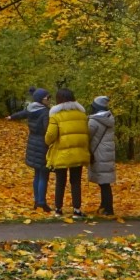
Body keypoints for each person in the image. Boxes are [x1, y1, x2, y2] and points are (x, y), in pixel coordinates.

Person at [43, 88, 91, 217]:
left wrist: (48, 142)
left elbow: (50, 136)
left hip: (61, 154)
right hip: (78, 153)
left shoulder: (56, 116)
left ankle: (58, 209)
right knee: (76, 181)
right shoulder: (82, 115)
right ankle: (77, 210)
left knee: (60, 181)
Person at [8, 88, 52, 212]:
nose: (49, 100)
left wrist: (11, 117)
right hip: (42, 144)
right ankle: (41, 202)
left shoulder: (31, 109)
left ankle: (37, 200)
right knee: (43, 173)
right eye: (48, 98)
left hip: (32, 142)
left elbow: (21, 114)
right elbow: (47, 129)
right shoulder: (45, 112)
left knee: (37, 173)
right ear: (42, 99)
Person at [86, 95, 118, 217]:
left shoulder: (94, 121)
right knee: (104, 182)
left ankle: (108, 208)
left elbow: (87, 135)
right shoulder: (108, 118)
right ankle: (104, 205)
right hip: (106, 153)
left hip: (99, 153)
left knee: (104, 182)